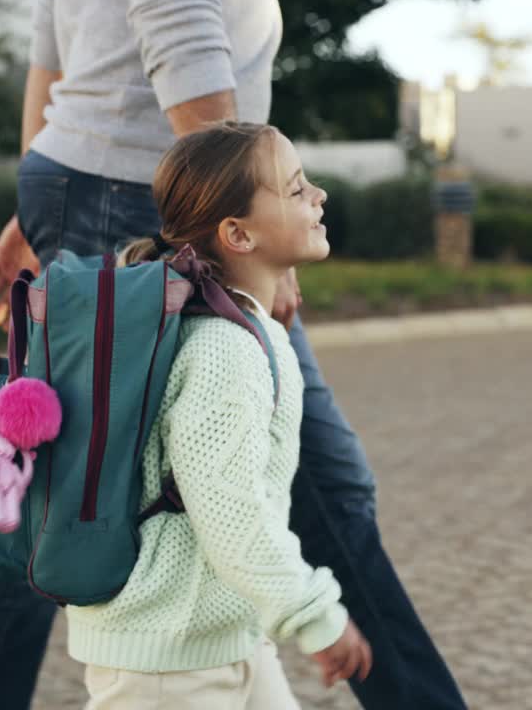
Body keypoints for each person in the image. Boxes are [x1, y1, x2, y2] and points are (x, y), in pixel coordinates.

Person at [0, 0, 467, 708]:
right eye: (302, 188)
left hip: (91, 182)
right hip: (154, 191)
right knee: (317, 487)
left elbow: (51, 61)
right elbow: (178, 40)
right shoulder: (235, 248)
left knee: (66, 485)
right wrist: (251, 225)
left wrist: (39, 206)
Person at [67, 120, 370, 709]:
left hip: (227, 638)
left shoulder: (247, 330)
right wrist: (314, 615)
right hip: (167, 664)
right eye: (294, 188)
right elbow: (228, 504)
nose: (319, 196)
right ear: (238, 234)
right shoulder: (224, 349)